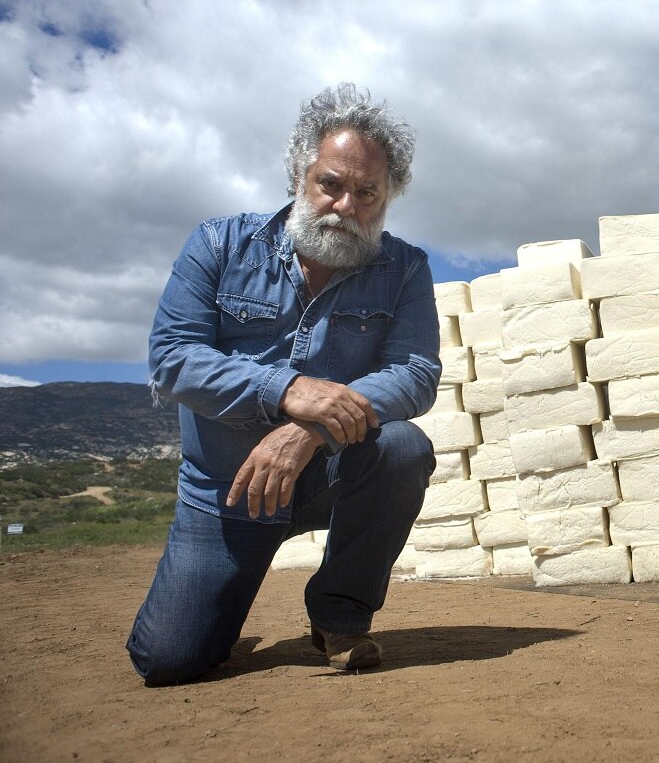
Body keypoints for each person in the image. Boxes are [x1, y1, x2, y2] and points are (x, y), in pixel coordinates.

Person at [127, 84, 442, 686]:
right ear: (299, 175)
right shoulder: (218, 244)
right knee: (169, 661)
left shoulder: (404, 269)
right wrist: (287, 389)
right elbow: (172, 357)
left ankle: (339, 614)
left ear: (388, 197)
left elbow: (415, 373)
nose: (346, 206)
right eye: (331, 184)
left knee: (403, 447)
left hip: (327, 476)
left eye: (367, 193)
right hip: (227, 489)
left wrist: (310, 431)